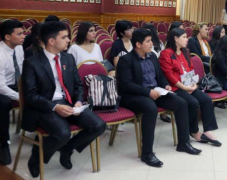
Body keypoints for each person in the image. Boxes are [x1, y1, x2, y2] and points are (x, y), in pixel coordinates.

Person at [21, 21, 106, 178]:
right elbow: (31, 96)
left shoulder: (68, 59)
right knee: (62, 132)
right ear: (52, 41)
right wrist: (55, 107)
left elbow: (78, 86)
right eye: (65, 37)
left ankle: (67, 149)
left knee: (98, 125)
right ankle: (36, 157)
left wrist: (79, 101)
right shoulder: (31, 63)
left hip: (68, 102)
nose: (69, 40)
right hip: (44, 106)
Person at [117, 29, 200, 167]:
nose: (152, 44)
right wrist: (147, 92)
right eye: (148, 41)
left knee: (181, 102)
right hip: (134, 95)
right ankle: (147, 153)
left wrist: (165, 85)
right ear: (138, 44)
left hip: (156, 91)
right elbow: (126, 85)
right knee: (151, 109)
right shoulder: (126, 60)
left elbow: (160, 76)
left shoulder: (153, 56)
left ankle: (183, 143)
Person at [159, 28, 221, 147]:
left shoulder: (185, 52)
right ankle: (194, 131)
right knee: (192, 102)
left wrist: (194, 84)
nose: (187, 39)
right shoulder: (166, 53)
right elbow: (169, 75)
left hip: (188, 85)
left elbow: (191, 69)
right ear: (176, 39)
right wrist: (185, 87)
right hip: (175, 87)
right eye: (184, 37)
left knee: (206, 100)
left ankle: (208, 130)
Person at [0, 20, 25, 165]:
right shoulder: (1, 54)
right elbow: (1, 86)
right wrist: (21, 97)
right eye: (20, 34)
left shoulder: (19, 48)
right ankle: (3, 143)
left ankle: (45, 134)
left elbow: (22, 71)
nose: (24, 36)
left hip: (17, 84)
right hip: (2, 87)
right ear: (7, 36)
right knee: (2, 103)